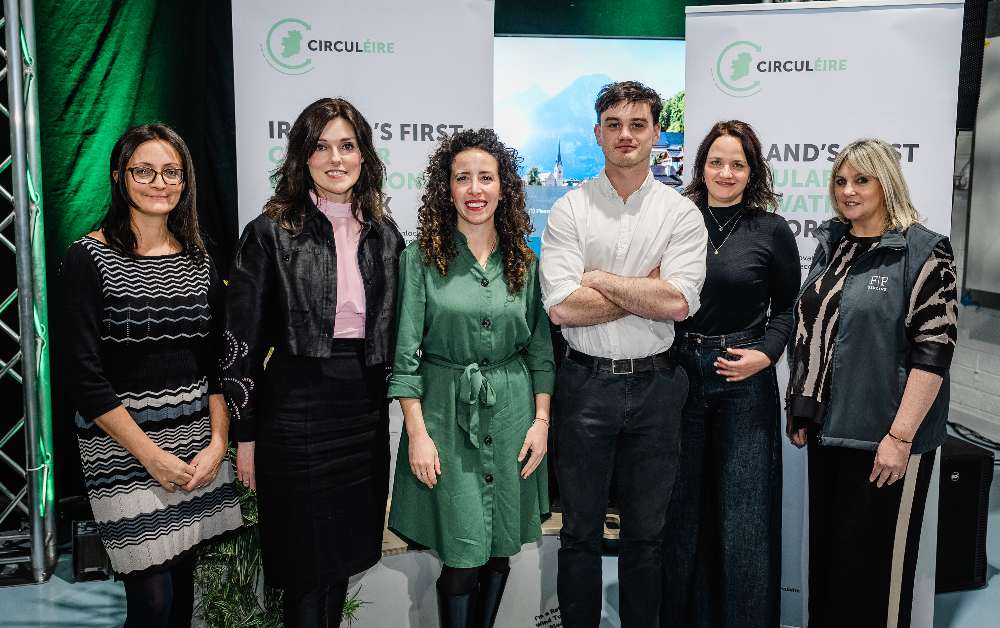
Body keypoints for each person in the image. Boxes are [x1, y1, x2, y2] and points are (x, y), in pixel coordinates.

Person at [222, 97, 404, 627]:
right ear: (303, 157)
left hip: (363, 412)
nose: (335, 159)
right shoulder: (269, 232)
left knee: (341, 560)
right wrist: (246, 436)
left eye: (347, 145)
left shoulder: (385, 234)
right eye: (321, 147)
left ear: (364, 155)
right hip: (295, 411)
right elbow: (239, 346)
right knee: (304, 569)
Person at [540, 80, 707, 627]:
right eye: (614, 124)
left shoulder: (680, 214)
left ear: (657, 132)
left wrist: (599, 279)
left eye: (638, 124)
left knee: (647, 537)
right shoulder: (569, 209)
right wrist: (644, 289)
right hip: (584, 387)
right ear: (597, 133)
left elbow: (679, 303)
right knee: (579, 533)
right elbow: (562, 308)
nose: (626, 135)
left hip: (657, 390)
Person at [64, 124, 243, 628]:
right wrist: (150, 455)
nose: (159, 183)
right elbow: (83, 378)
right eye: (143, 171)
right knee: (153, 601)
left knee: (182, 592)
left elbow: (216, 364)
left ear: (185, 181)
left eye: (171, 172)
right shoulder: (88, 258)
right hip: (121, 450)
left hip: (194, 445)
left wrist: (218, 444)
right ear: (119, 176)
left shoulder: (200, 259)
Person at [785, 138, 958, 626]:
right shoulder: (834, 245)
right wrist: (802, 406)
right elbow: (816, 330)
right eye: (841, 181)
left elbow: (934, 352)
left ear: (887, 184)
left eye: (862, 180)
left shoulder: (923, 251)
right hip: (829, 434)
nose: (848, 190)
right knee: (831, 569)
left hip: (886, 443)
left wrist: (899, 438)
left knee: (878, 578)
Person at [387, 128, 554, 628]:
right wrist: (418, 434)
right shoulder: (419, 259)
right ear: (448, 188)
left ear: (504, 187)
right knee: (461, 558)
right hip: (445, 419)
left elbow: (541, 352)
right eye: (463, 178)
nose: (475, 189)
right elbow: (405, 359)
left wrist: (542, 421)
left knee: (500, 551)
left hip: (514, 416)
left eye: (486, 177)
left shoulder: (525, 261)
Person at [660, 120, 799, 628]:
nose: (725, 172)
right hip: (679, 375)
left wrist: (767, 354)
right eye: (716, 162)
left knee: (745, 518)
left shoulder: (771, 230)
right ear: (701, 167)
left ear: (751, 171)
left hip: (744, 379)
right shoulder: (677, 220)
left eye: (737, 164)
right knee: (681, 517)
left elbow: (788, 309)